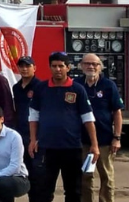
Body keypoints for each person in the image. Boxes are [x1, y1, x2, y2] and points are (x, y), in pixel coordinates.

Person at [29, 52, 99, 202]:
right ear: (49, 67)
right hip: (47, 148)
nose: (57, 69)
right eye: (54, 66)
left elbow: (87, 118)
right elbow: (33, 116)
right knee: (44, 191)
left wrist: (94, 144)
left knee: (74, 191)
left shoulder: (78, 89)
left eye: (61, 66)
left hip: (72, 147)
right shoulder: (41, 88)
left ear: (68, 67)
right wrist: (33, 139)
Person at [77, 54, 123, 202]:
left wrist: (117, 138)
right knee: (85, 177)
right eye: (88, 64)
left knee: (107, 177)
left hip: (105, 140)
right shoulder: (76, 85)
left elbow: (117, 112)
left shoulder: (109, 85)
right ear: (81, 66)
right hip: (82, 141)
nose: (91, 67)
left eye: (95, 64)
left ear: (100, 67)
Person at [12, 56, 45, 202]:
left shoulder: (40, 87)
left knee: (38, 172)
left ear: (34, 68)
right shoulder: (16, 87)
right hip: (20, 134)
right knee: (23, 171)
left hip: (35, 135)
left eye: (28, 66)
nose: (24, 69)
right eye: (22, 66)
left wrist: (37, 137)